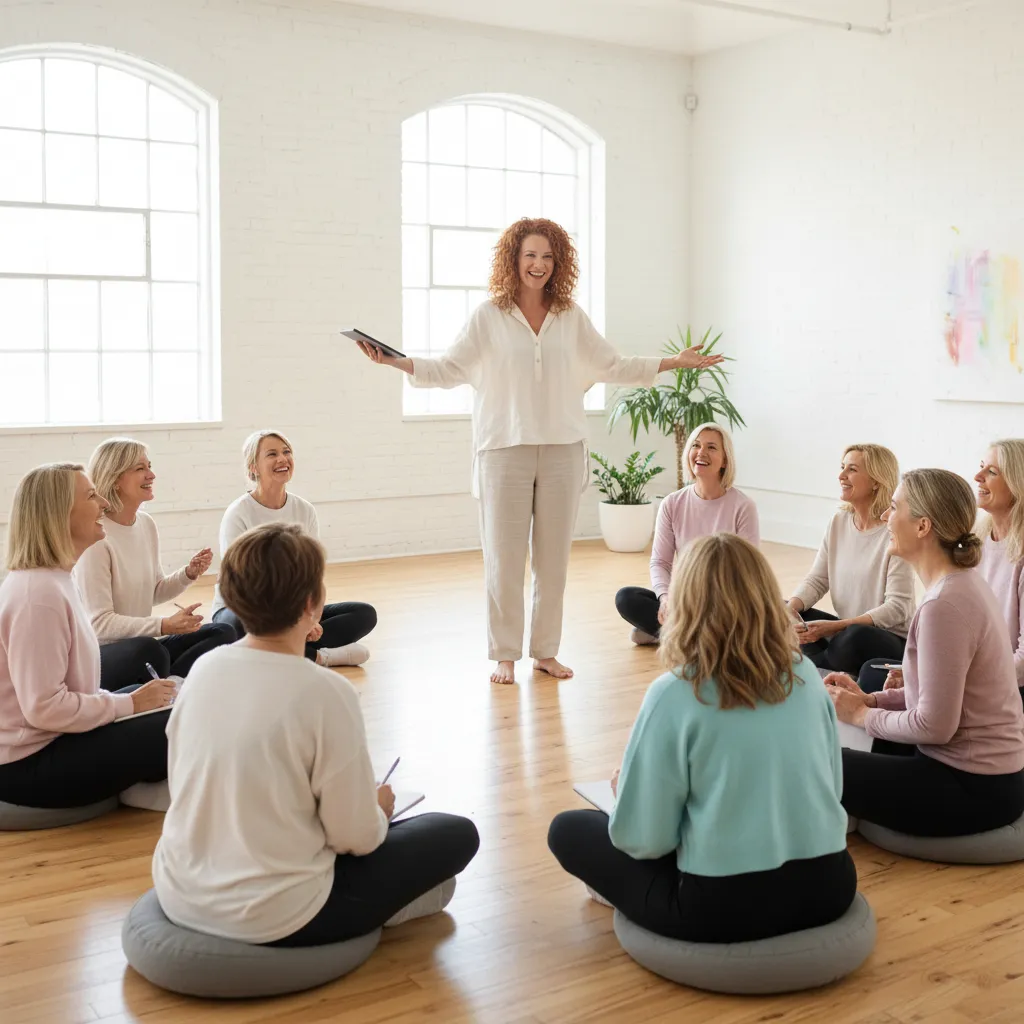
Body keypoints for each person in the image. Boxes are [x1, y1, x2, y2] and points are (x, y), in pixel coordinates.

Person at [359, 217, 724, 685]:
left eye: (548, 257)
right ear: (514, 259)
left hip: (562, 451)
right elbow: (450, 367)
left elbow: (612, 364)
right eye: (530, 255)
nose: (539, 265)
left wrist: (674, 362)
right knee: (504, 561)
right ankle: (504, 654)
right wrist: (395, 360)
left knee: (553, 564)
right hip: (502, 450)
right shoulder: (488, 316)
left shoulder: (570, 316)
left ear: (559, 263)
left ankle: (546, 652)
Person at [152, 523, 480, 945]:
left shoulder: (203, 669)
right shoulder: (328, 692)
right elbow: (353, 838)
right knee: (455, 833)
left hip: (181, 888)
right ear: (312, 603)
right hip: (276, 914)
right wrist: (378, 811)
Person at [547, 533, 855, 943]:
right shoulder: (807, 678)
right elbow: (832, 790)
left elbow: (643, 841)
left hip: (723, 906)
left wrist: (626, 794)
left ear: (684, 604)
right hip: (830, 885)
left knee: (569, 829)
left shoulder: (675, 692)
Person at [826, 468, 1024, 837]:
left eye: (894, 507)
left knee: (819, 761)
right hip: (978, 773)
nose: (885, 517)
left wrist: (859, 714)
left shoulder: (944, 605)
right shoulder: (957, 586)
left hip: (975, 787)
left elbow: (934, 725)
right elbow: (943, 698)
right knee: (850, 731)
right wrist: (870, 698)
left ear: (922, 526)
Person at [0, 463, 176, 810]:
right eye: (91, 495)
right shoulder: (38, 595)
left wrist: (132, 702)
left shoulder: (55, 580)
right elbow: (45, 709)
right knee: (178, 721)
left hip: (53, 739)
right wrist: (130, 705)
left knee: (167, 698)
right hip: (26, 765)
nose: (105, 504)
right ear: (59, 513)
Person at [73, 439, 234, 691]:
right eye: (140, 469)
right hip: (103, 656)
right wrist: (164, 625)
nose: (151, 474)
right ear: (115, 479)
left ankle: (169, 683)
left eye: (149, 466)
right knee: (150, 649)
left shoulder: (146, 524)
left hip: (143, 644)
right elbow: (100, 624)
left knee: (222, 632)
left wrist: (188, 574)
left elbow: (155, 591)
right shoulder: (97, 538)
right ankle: (171, 681)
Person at [211, 430, 377, 667]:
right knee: (237, 628)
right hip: (245, 609)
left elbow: (312, 575)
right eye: (272, 454)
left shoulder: (305, 510)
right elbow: (241, 584)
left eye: (286, 452)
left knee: (364, 614)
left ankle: (285, 649)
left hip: (293, 610)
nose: (282, 459)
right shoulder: (238, 513)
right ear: (253, 467)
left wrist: (310, 618)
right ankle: (319, 656)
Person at [614, 422, 758, 645]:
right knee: (627, 598)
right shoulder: (672, 503)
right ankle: (692, 636)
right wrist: (665, 599)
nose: (701, 452)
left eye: (711, 447)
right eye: (696, 445)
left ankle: (673, 635)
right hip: (685, 599)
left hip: (726, 603)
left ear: (725, 460)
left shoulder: (743, 506)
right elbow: (660, 562)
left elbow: (749, 571)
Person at [787, 444, 915, 675]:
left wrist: (837, 626)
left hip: (887, 637)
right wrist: (790, 608)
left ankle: (810, 666)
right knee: (784, 612)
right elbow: (818, 579)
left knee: (852, 639)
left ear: (876, 481)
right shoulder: (839, 521)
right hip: (845, 629)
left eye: (852, 469)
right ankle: (822, 663)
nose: (841, 476)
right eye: (842, 467)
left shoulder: (894, 531)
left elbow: (898, 608)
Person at [975, 439, 1024, 700]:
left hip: (1011, 686)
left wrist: (969, 684)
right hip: (978, 675)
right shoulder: (975, 542)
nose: (977, 476)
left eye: (991, 472)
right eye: (981, 467)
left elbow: (1023, 660)